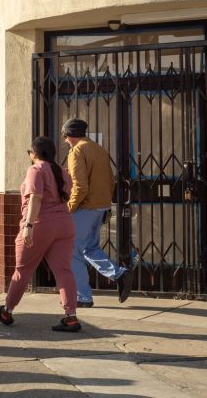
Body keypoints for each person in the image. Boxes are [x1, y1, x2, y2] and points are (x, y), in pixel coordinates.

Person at [0, 136, 81, 332]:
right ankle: (71, 317)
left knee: (22, 270)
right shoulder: (61, 172)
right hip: (64, 224)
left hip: (41, 224)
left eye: (29, 152)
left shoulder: (35, 169)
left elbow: (36, 198)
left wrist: (28, 226)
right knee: (63, 270)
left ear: (34, 154)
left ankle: (6, 311)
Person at [62, 118, 131, 307]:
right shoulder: (99, 149)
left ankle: (83, 296)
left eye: (65, 137)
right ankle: (119, 274)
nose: (65, 141)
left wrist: (69, 209)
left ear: (69, 135)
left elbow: (80, 186)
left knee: (72, 251)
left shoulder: (77, 151)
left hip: (85, 207)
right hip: (101, 207)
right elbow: (111, 180)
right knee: (89, 248)